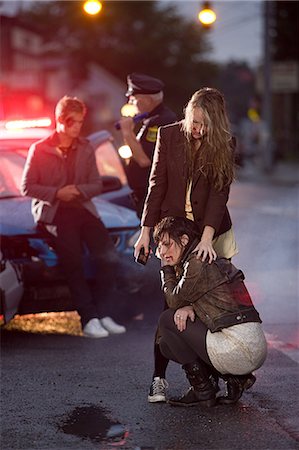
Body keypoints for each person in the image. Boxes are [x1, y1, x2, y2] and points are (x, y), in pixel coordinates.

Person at [133, 88, 239, 402]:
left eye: (206, 125)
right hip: (175, 231)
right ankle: (158, 379)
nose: (199, 130)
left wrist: (207, 239)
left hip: (211, 232)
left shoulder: (224, 142)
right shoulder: (168, 136)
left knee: (213, 308)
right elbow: (156, 184)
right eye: (195, 122)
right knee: (172, 304)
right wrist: (145, 230)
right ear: (188, 112)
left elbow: (220, 194)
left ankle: (218, 378)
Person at [21, 95, 128, 338]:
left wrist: (77, 191)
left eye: (81, 122)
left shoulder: (86, 147)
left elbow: (96, 184)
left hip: (83, 207)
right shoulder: (39, 149)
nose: (78, 126)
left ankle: (103, 313)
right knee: (74, 262)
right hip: (55, 211)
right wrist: (58, 192)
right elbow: (27, 186)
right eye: (73, 122)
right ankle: (88, 319)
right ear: (60, 120)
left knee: (108, 256)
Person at [154, 216, 267, 407]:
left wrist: (166, 269)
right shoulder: (206, 257)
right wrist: (189, 306)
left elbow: (172, 299)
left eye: (167, 244)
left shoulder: (196, 262)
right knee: (166, 345)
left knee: (166, 319)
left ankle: (203, 390)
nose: (162, 252)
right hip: (252, 345)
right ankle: (235, 379)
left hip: (239, 347)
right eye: (159, 246)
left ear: (184, 240)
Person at [119, 72, 177, 218]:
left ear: (147, 101)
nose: (131, 103)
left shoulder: (161, 122)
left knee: (149, 239)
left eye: (133, 99)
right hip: (144, 194)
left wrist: (127, 132)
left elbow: (145, 160)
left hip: (152, 196)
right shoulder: (151, 120)